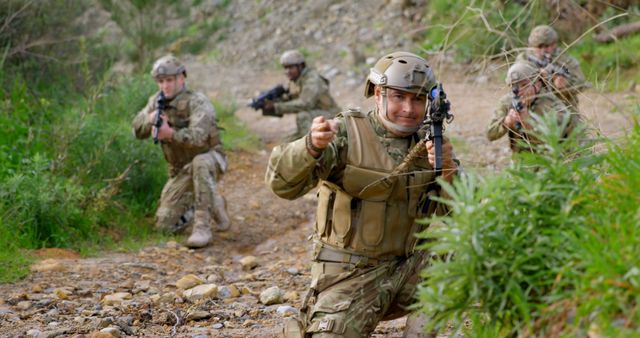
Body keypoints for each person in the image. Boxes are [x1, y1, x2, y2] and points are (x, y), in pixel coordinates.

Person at [266, 51, 459, 337]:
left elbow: (466, 212)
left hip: (408, 270)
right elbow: (282, 185)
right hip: (351, 277)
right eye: (399, 97)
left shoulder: (430, 144)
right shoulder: (346, 133)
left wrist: (450, 172)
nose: (409, 108)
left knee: (464, 252)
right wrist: (310, 147)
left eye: (418, 99)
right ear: (378, 94)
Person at [132, 55, 230, 248]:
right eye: (161, 81)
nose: (165, 86)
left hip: (210, 160)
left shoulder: (198, 101)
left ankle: (202, 226)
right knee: (164, 225)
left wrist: (170, 134)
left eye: (169, 80)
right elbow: (136, 130)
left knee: (200, 162)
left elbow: (199, 137)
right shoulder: (156, 102)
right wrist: (150, 120)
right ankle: (214, 201)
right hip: (180, 170)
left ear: (181, 78)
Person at [487, 62, 582, 154]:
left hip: (552, 161)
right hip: (523, 161)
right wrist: (507, 122)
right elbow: (490, 134)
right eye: (514, 86)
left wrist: (528, 122)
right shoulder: (507, 102)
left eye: (524, 85)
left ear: (538, 84)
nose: (519, 91)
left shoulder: (553, 105)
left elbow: (553, 143)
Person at [262, 49, 340, 141]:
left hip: (331, 116)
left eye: (291, 67)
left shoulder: (312, 80)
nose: (287, 71)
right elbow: (290, 98)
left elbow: (305, 103)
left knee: (302, 116)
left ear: (300, 66)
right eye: (285, 68)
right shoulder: (297, 80)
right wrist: (271, 103)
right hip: (316, 116)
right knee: (285, 143)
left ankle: (313, 146)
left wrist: (276, 107)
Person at [516, 25, 587, 111]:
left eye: (548, 46)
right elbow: (515, 81)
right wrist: (537, 76)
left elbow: (580, 82)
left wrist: (565, 85)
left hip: (562, 107)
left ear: (555, 44)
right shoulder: (524, 58)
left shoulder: (564, 60)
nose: (545, 50)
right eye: (540, 47)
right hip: (532, 106)